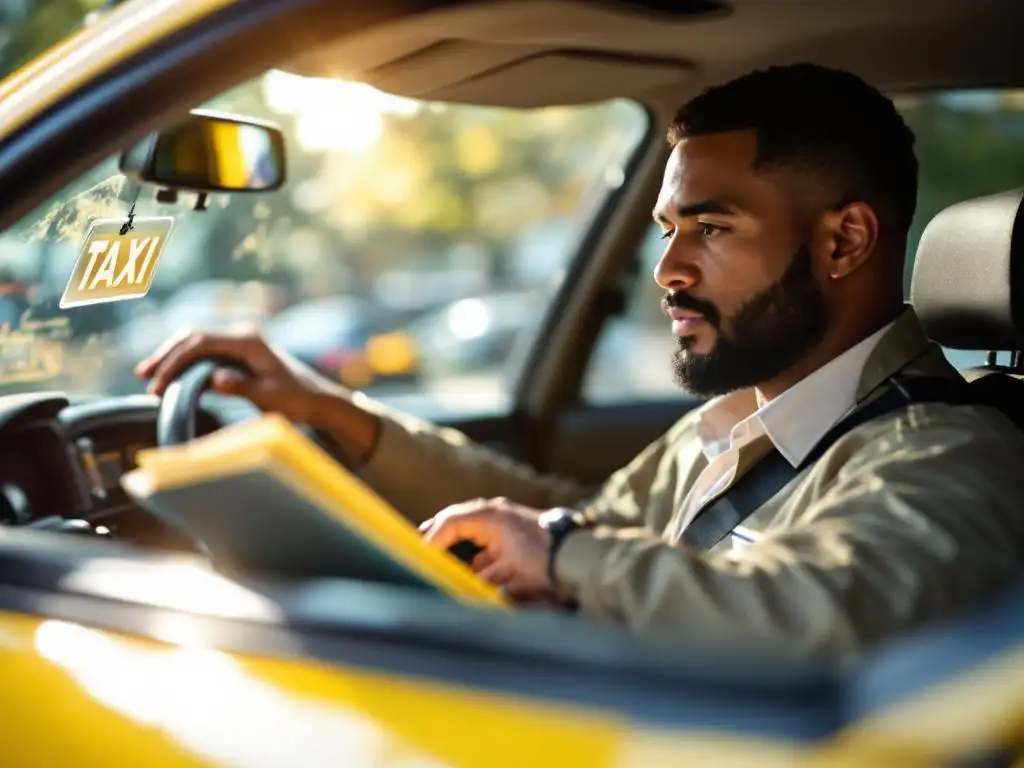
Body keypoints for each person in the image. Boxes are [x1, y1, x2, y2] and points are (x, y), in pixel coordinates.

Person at [136, 63, 1024, 657]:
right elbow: (571, 516)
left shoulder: (953, 455)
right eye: (668, 230)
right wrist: (331, 412)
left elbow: (825, 615)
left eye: (712, 229)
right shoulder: (738, 421)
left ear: (845, 242)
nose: (669, 270)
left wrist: (565, 559)